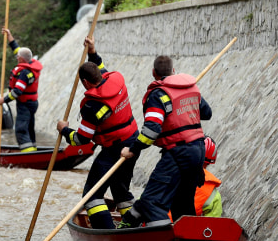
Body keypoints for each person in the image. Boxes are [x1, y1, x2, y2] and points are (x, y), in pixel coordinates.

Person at [118, 55, 213, 228]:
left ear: (154, 73)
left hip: (179, 152)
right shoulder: (191, 88)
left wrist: (133, 149)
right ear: (173, 71)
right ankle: (189, 240)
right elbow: (206, 113)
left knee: (152, 202)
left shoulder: (158, 95)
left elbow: (150, 131)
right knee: (182, 203)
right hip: (198, 151)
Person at [56, 37, 140, 229]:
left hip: (114, 149)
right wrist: (92, 51)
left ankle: (108, 234)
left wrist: (64, 130)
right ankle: (133, 227)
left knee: (92, 195)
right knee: (121, 192)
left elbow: (81, 139)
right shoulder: (115, 80)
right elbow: (100, 67)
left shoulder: (92, 106)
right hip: (133, 143)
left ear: (85, 82)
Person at [0, 28, 42, 152]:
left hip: (25, 104)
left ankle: (28, 153)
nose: (16, 57)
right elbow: (18, 50)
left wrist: (3, 100)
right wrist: (9, 36)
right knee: (29, 127)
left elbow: (17, 91)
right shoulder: (31, 62)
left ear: (22, 59)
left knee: (21, 129)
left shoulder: (24, 73)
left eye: (18, 57)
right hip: (33, 102)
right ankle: (33, 148)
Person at [195, 135, 223, 217]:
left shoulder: (164, 171)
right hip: (182, 228)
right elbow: (213, 225)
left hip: (158, 225)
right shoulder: (211, 192)